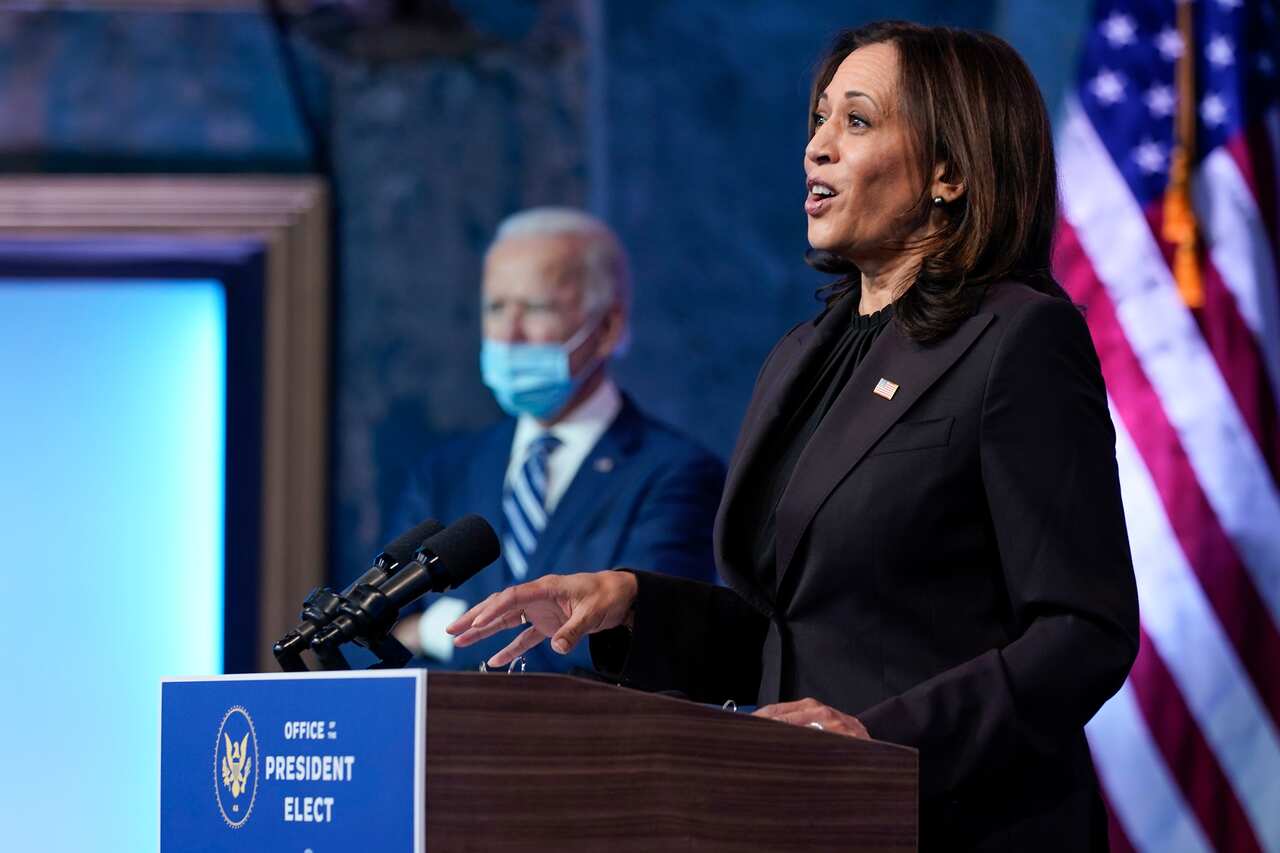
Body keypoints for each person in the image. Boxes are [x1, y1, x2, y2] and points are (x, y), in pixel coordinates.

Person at [446, 22, 1139, 852]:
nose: (816, 149)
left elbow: (1082, 631)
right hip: (805, 816)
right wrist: (630, 605)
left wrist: (878, 740)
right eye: (817, 121)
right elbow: (788, 632)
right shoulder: (803, 356)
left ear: (949, 171)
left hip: (962, 823)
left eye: (856, 121)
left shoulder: (1019, 340)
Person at [387, 207, 724, 675]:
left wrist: (433, 629)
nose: (510, 332)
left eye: (537, 308)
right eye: (496, 307)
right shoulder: (447, 471)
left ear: (607, 328)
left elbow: (630, 647)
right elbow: (381, 636)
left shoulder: (675, 474)